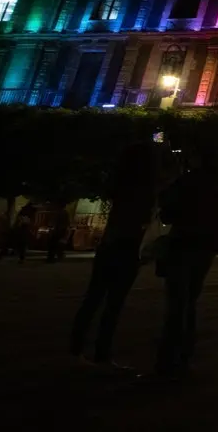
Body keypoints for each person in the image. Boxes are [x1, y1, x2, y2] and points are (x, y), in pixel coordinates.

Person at [152, 147, 218, 378]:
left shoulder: (188, 181)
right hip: (205, 248)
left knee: (176, 304)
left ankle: (167, 361)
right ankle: (184, 357)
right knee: (190, 301)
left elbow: (166, 212)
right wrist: (215, 240)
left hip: (182, 243)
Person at [69, 142, 160, 367]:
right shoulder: (144, 188)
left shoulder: (121, 182)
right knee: (113, 304)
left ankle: (75, 349)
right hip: (127, 247)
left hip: (110, 245)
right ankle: (101, 352)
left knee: (93, 299)